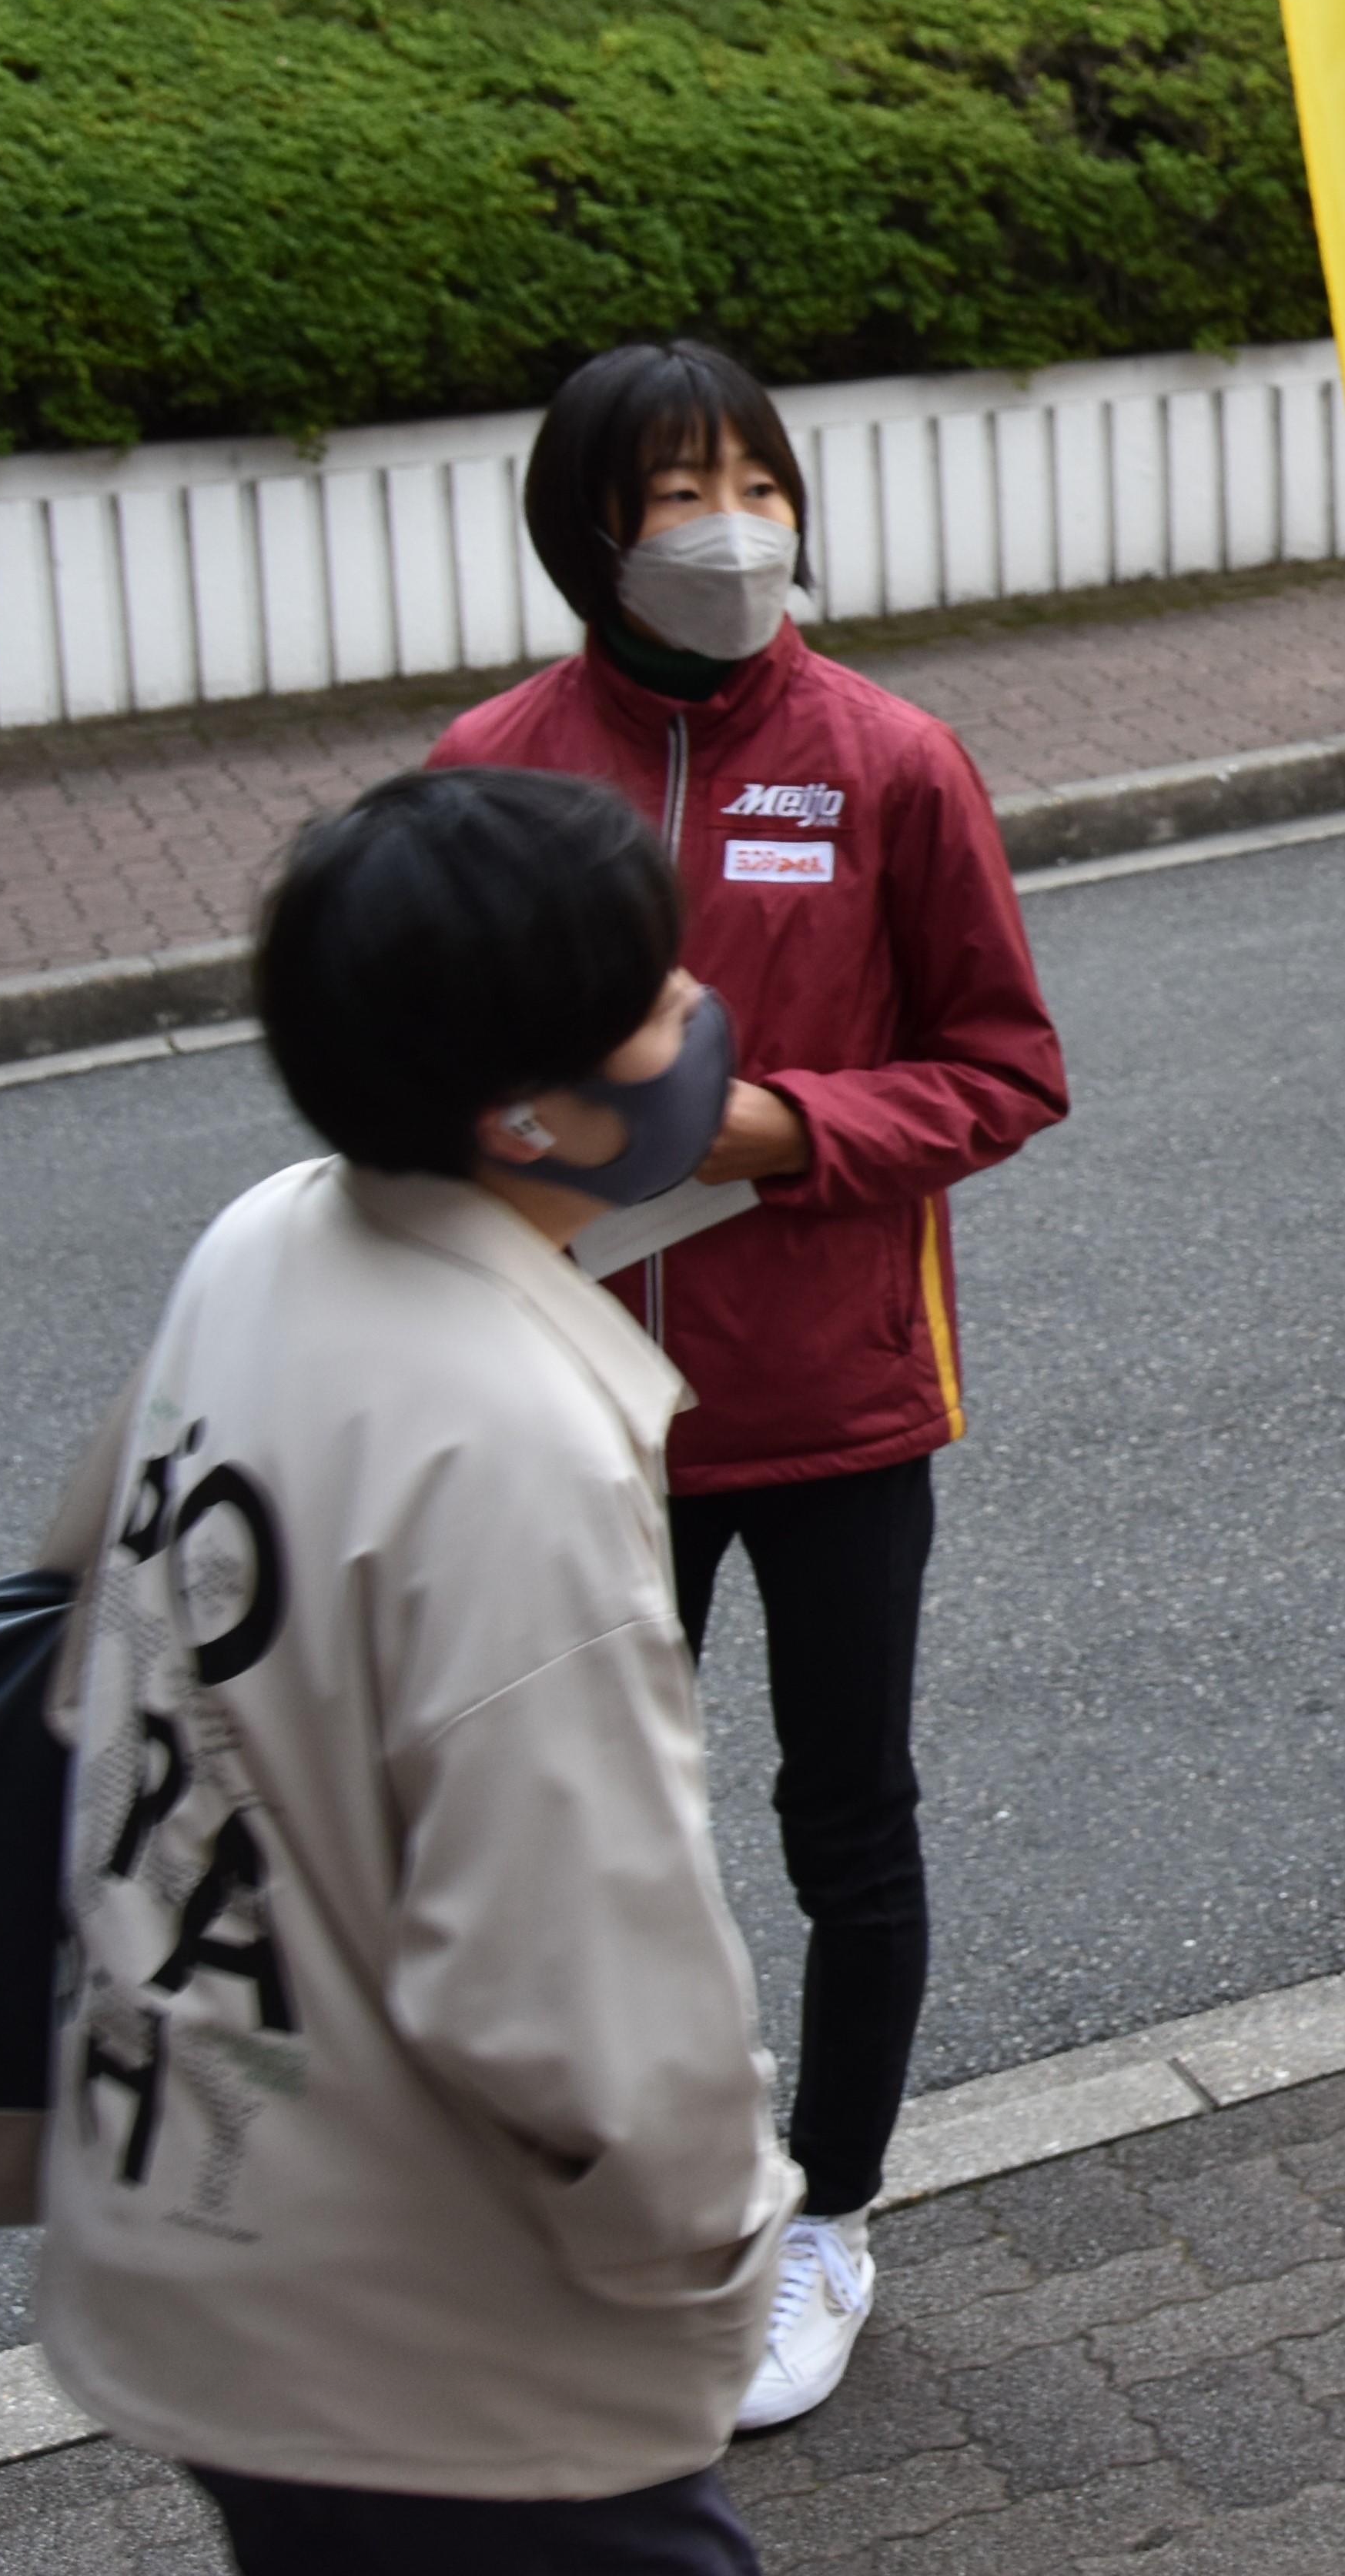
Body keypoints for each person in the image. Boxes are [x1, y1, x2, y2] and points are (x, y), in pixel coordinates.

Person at [37, 767, 795, 2576]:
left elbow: (84, 1627)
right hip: (436, 2346)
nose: (699, 1015)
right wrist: (716, 2250)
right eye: (658, 992)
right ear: (531, 1110)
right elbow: (578, 1988)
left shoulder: (263, 1239)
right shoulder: (512, 1435)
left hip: (199, 2217)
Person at [430, 340, 1069, 2434]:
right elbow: (416, 1077)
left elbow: (1005, 1069)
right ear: (591, 528)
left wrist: (777, 1131)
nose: (729, 525)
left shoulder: (891, 759)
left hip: (837, 1402)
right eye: (678, 487)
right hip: (564, 1403)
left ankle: (833, 2218)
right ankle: (615, 2207)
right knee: (578, 1831)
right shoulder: (494, 773)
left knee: (843, 1820)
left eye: (756, 480)